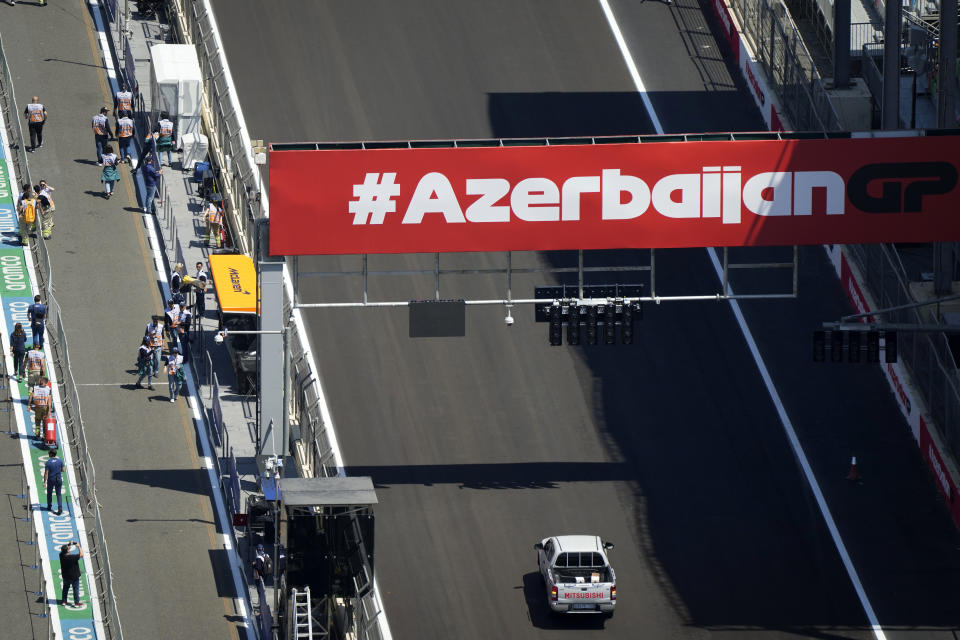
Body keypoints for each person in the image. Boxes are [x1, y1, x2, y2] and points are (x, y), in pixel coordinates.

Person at [59, 540, 83, 607]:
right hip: (74, 577)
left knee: (65, 588)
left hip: (66, 576)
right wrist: (78, 546)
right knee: (75, 589)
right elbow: (81, 555)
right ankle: (76, 603)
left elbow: (64, 550)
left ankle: (64, 601)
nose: (69, 549)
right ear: (68, 551)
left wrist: (69, 544)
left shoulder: (61, 555)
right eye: (68, 548)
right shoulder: (72, 557)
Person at [43, 449, 63, 514]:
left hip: (51, 480)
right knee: (59, 494)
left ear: (51, 454)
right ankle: (60, 507)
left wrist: (44, 482)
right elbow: (63, 470)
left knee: (49, 493)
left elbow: (46, 473)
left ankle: (49, 506)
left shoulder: (48, 462)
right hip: (58, 479)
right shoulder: (60, 461)